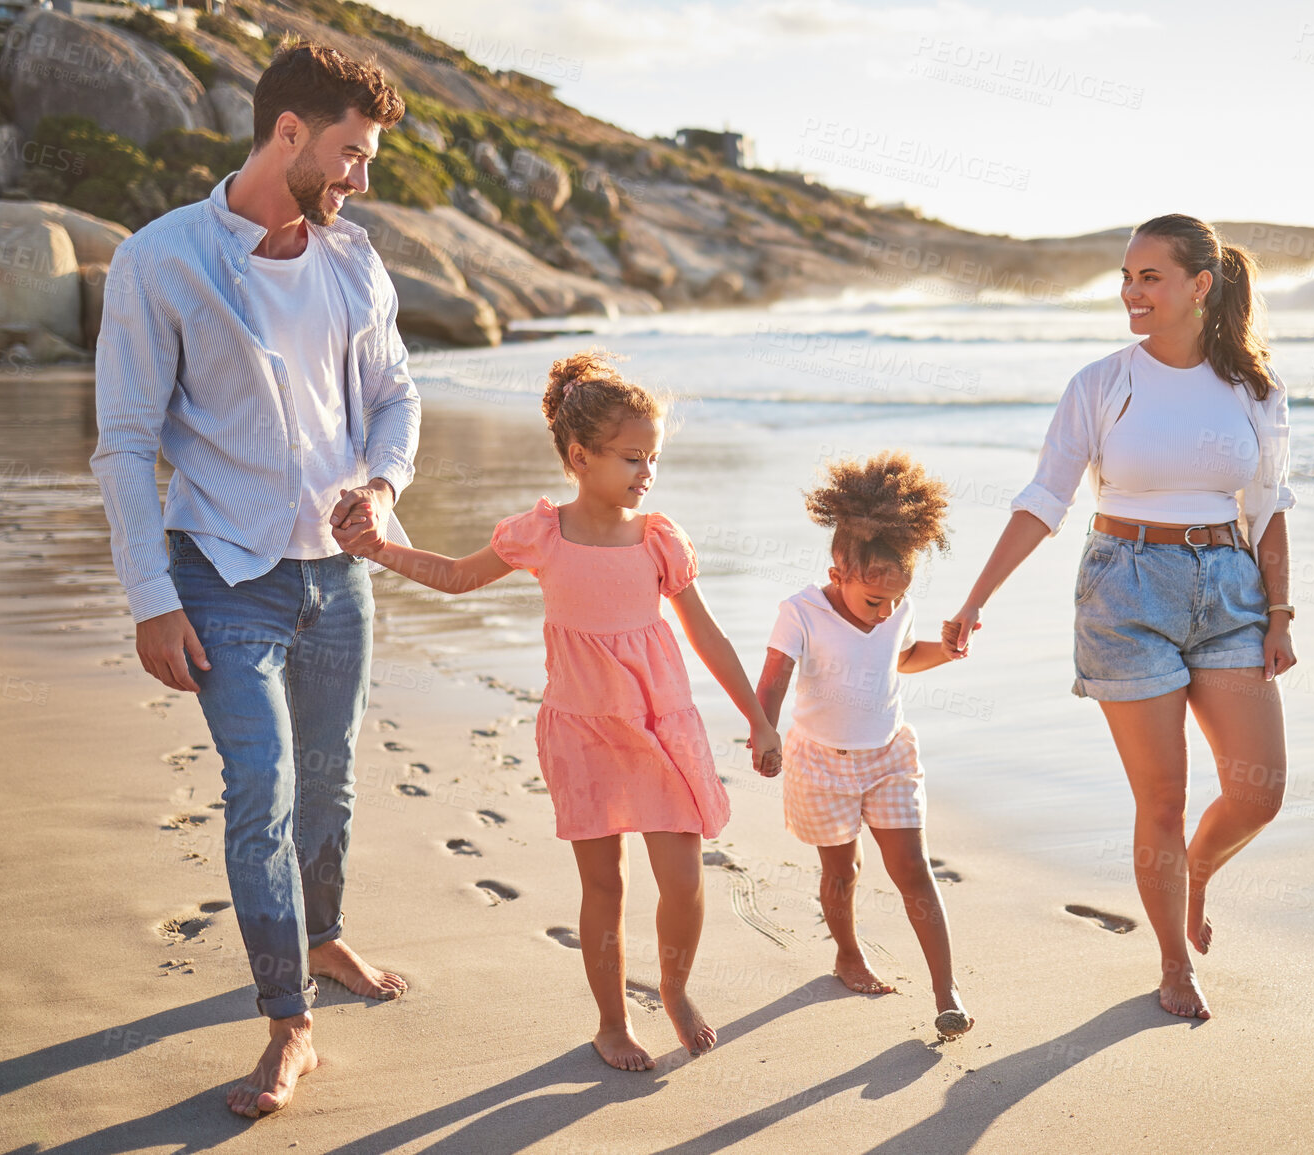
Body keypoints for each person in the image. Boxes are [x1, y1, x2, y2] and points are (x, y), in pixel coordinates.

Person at [90, 43, 419, 1115]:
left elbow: (394, 400)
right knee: (262, 787)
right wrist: (151, 597)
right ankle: (288, 1020)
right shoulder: (161, 259)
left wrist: (379, 483)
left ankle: (319, 937)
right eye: (352, 155)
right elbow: (126, 441)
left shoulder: (355, 262)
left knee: (328, 781)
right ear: (289, 135)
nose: (362, 179)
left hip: (340, 574)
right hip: (224, 573)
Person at [335, 349, 783, 1071]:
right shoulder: (541, 532)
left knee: (685, 877)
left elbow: (707, 634)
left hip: (661, 727)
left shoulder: (659, 539)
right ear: (580, 455)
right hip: (583, 733)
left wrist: (759, 718)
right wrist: (378, 547)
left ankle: (674, 987)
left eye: (654, 459)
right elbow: (455, 577)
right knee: (603, 883)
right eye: (632, 458)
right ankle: (611, 1021)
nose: (646, 474)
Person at [943, 214, 1297, 1020]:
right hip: (1123, 587)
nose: (1130, 292)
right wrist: (974, 600)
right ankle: (1174, 961)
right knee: (1161, 799)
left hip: (1230, 590)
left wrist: (1279, 612)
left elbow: (1270, 507)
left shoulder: (1255, 388)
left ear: (1199, 286)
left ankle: (1195, 872)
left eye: (1149, 277)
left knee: (1259, 789)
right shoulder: (1100, 383)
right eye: (1127, 276)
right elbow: (1045, 500)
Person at [754, 450, 973, 1041]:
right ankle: (847, 954)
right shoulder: (800, 613)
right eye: (874, 600)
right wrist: (764, 728)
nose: (884, 613)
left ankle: (945, 989)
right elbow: (773, 678)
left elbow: (901, 658)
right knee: (842, 870)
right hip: (819, 761)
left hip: (888, 756)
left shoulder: (895, 609)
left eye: (895, 600)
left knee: (913, 870)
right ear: (840, 568)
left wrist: (946, 650)